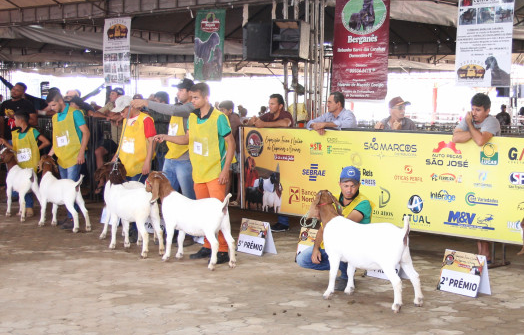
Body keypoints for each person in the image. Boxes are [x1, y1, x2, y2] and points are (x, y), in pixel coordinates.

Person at [151, 82, 236, 266]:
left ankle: (222, 249)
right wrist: (166, 137)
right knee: (203, 213)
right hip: (199, 172)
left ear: (206, 97)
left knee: (218, 212)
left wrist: (225, 169)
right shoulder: (192, 117)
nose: (193, 101)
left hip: (215, 172)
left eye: (196, 98)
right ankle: (207, 245)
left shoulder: (219, 117)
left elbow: (231, 144)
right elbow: (186, 139)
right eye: (192, 98)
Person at [296, 166, 372, 291]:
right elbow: (323, 228)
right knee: (303, 259)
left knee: (342, 250)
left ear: (359, 185)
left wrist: (324, 214)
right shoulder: (332, 199)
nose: (349, 190)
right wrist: (316, 248)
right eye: (345, 185)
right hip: (335, 246)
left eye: (353, 186)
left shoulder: (364, 203)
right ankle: (338, 267)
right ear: (340, 184)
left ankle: (347, 275)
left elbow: (342, 227)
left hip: (353, 247)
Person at [130, 78, 196, 204]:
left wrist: (147, 102)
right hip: (171, 157)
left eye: (181, 90)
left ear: (190, 92)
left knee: (189, 198)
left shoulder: (191, 108)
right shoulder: (180, 107)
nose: (177, 93)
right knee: (165, 195)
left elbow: (173, 110)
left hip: (185, 159)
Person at [452, 92, 501, 260]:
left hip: (492, 173)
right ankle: (481, 254)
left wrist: (471, 128)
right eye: (473, 109)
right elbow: (455, 137)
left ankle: (485, 255)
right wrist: (475, 131)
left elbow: (481, 141)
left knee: (484, 212)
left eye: (478, 110)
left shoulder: (491, 121)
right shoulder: (472, 121)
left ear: (487, 111)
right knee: (476, 210)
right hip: (475, 172)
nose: (474, 113)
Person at [247, 94, 294, 232]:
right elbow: (253, 123)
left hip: (286, 156)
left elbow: (286, 123)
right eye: (269, 103)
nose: (270, 106)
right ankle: (279, 218)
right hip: (272, 155)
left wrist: (263, 125)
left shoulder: (285, 114)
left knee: (281, 187)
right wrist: (253, 121)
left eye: (273, 104)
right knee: (272, 188)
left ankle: (283, 221)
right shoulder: (268, 115)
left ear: (280, 106)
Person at [45, 88, 91, 230]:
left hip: (74, 156)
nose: (52, 109)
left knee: (70, 188)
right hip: (61, 158)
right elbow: (57, 139)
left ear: (60, 101)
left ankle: (72, 218)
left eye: (53, 105)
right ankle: (70, 215)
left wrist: (81, 152)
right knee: (66, 190)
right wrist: (50, 155)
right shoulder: (54, 117)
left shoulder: (75, 113)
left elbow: (86, 133)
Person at [0, 111, 51, 217]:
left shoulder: (32, 131)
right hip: (19, 163)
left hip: (31, 162)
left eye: (15, 120)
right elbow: (14, 149)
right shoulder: (16, 133)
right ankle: (25, 207)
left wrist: (35, 149)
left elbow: (46, 142)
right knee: (23, 185)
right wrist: (5, 143)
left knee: (29, 182)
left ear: (20, 120)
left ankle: (29, 207)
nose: (14, 122)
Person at [112, 95, 155, 182]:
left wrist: (147, 162)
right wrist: (115, 156)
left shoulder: (146, 119)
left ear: (130, 107)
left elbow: (152, 141)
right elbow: (122, 141)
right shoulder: (125, 120)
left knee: (137, 192)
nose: (121, 114)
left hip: (140, 166)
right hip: (125, 165)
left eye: (122, 111)